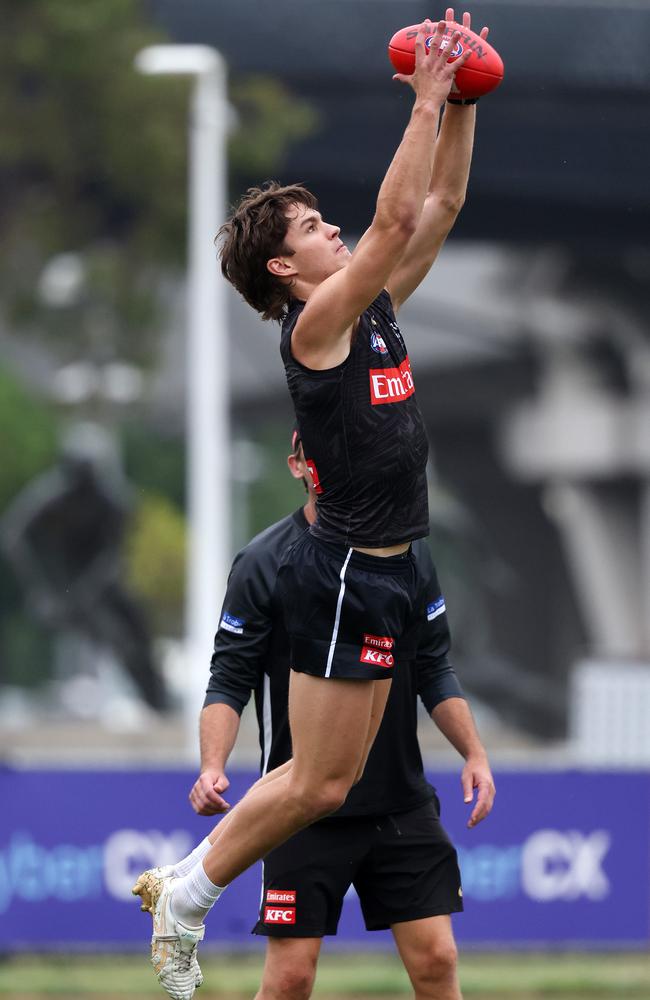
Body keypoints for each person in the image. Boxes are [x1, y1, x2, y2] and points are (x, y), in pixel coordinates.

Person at [135, 12, 491, 999]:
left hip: (381, 573)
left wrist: (461, 102)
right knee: (317, 782)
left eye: (322, 220)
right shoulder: (317, 326)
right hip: (341, 569)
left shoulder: (369, 307)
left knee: (326, 780)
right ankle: (189, 890)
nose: (329, 228)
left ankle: (184, 884)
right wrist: (422, 97)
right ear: (286, 272)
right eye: (309, 229)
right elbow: (386, 226)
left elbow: (441, 204)